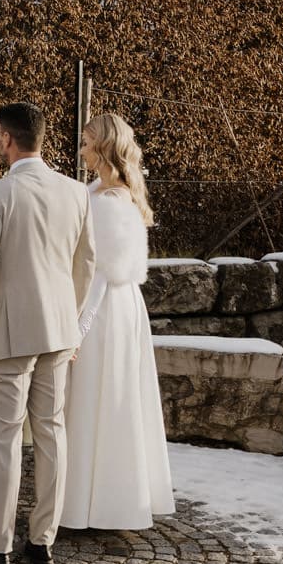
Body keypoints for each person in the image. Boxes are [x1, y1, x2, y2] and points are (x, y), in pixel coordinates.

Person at [0, 103, 94, 564]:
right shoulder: (75, 192)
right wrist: (69, 320)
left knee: (5, 441)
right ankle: (42, 543)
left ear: (6, 139)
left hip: (9, 334)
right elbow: (85, 265)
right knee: (51, 434)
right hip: (58, 332)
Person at [60, 114, 175, 530]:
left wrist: (77, 330)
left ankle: (99, 505)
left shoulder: (111, 201)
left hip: (107, 312)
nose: (82, 149)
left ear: (105, 147)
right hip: (118, 306)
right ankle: (86, 499)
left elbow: (99, 275)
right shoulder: (97, 191)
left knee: (100, 398)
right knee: (100, 400)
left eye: (87, 142)